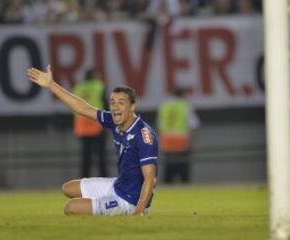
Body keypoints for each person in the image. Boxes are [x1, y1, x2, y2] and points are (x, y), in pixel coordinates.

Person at [27, 65, 157, 216]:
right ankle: (103, 203)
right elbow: (83, 108)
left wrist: (138, 213)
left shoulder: (144, 136)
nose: (115, 107)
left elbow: (150, 179)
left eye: (121, 103)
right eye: (112, 102)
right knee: (67, 188)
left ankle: (116, 208)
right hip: (118, 185)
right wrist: (51, 85)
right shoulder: (115, 120)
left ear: (132, 107)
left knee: (71, 208)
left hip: (130, 200)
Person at [157, 87, 200, 183]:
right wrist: (192, 141)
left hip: (167, 139)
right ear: (183, 95)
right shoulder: (185, 105)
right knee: (183, 166)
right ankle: (185, 188)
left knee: (169, 166)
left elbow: (160, 124)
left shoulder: (164, 106)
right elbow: (193, 124)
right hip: (181, 139)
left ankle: (168, 188)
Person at [73, 68, 108, 178]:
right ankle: (104, 177)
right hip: (96, 122)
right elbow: (105, 103)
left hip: (82, 124)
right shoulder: (98, 86)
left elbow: (72, 105)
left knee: (85, 156)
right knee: (101, 155)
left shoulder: (78, 88)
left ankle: (84, 178)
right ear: (93, 76)